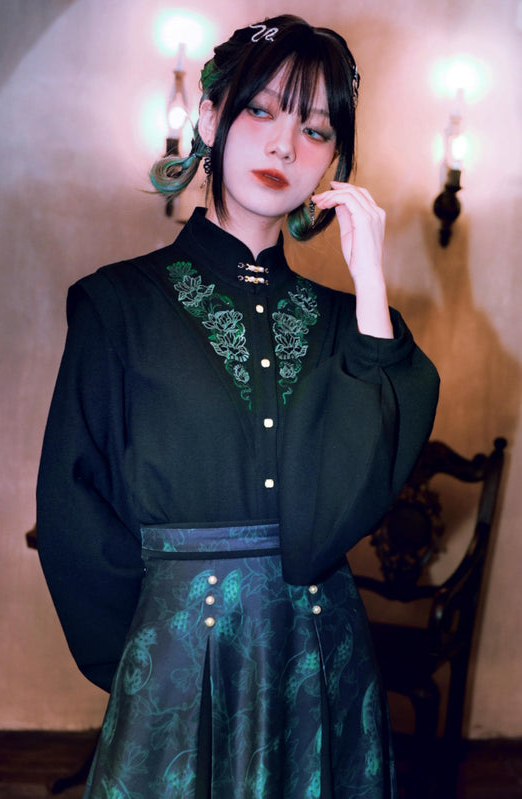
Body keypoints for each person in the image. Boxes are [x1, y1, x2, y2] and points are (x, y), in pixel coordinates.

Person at [37, 14, 439, 799]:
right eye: (260, 110)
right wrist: (152, 655)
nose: (284, 146)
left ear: (334, 161)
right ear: (209, 117)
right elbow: (72, 509)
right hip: (176, 661)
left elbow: (358, 493)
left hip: (322, 658)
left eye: (315, 129)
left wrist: (369, 288)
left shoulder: (349, 326)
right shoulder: (118, 303)